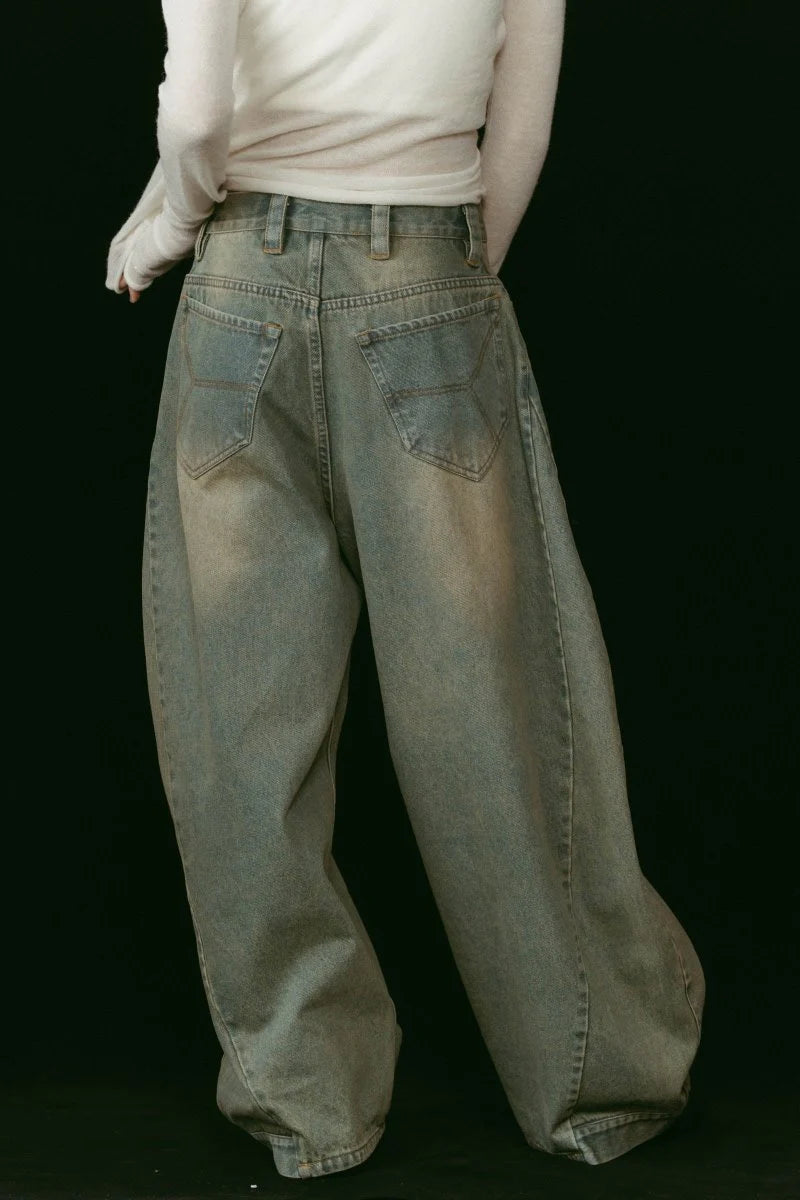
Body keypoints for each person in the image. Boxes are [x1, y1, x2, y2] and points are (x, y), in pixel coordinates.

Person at [105, 0, 705, 1182]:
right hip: (430, 263)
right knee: (490, 714)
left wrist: (165, 226)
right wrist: (443, 288)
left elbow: (199, 115)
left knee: (244, 736)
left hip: (238, 292)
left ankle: (307, 1106)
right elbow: (518, 133)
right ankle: (597, 1082)